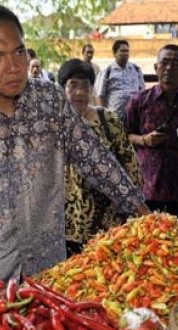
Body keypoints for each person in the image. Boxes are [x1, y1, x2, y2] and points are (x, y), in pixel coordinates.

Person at [0, 2, 148, 281]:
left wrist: (145, 216)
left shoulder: (49, 99)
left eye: (19, 52)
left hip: (46, 271)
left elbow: (93, 157)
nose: (14, 67)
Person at [58, 59, 143, 254]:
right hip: (67, 226)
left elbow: (130, 163)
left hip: (109, 224)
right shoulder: (54, 125)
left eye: (85, 86)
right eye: (73, 85)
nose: (79, 92)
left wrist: (134, 207)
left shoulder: (108, 119)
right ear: (63, 88)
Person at [124, 44, 178, 219]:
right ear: (156, 67)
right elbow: (124, 136)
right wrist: (145, 140)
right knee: (146, 238)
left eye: (175, 63)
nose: (169, 68)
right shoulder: (139, 101)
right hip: (148, 188)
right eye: (164, 62)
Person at [95, 40, 144, 121]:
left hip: (133, 116)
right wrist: (104, 117)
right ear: (115, 53)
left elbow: (142, 92)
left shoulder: (136, 69)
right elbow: (100, 95)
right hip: (114, 116)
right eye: (122, 51)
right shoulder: (107, 71)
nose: (125, 53)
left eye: (127, 51)